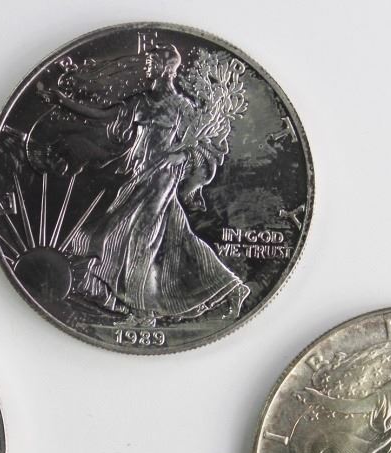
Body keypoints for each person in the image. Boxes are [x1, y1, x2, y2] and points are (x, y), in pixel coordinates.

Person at [36, 44, 250, 325]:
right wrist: (63, 100)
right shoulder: (141, 102)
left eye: (153, 62)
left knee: (136, 239)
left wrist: (181, 155)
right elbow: (102, 115)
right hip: (141, 176)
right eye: (148, 62)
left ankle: (142, 311)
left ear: (167, 69)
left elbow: (204, 146)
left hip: (161, 179)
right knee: (176, 239)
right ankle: (232, 288)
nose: (147, 67)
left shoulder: (182, 107)